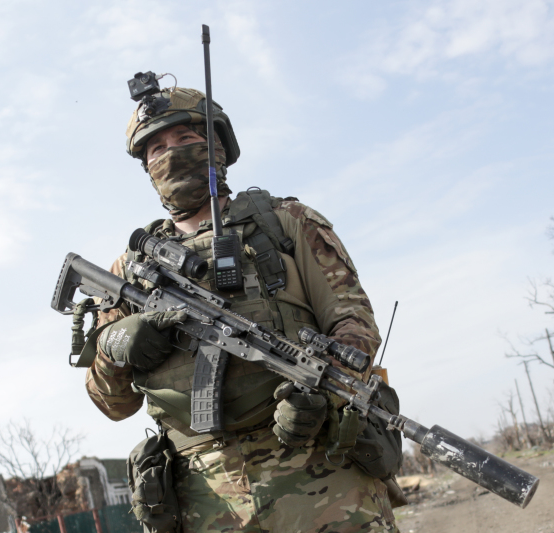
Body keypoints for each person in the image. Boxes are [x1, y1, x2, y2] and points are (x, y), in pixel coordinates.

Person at [84, 85, 398, 532]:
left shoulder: (286, 222)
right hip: (203, 498)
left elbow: (355, 326)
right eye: (157, 148)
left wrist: (321, 392)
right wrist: (114, 347)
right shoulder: (129, 271)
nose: (171, 154)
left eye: (185, 139)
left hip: (322, 478)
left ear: (218, 146)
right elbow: (113, 404)